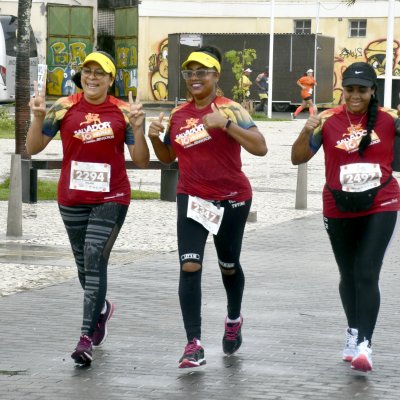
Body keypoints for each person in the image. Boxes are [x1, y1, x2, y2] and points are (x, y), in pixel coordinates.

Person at [26, 51, 150, 366]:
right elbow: (32, 147)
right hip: (72, 197)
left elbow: (141, 160)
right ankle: (102, 309)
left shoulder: (122, 111)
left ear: (111, 80)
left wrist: (139, 126)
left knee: (95, 259)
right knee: (84, 267)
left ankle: (85, 339)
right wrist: (38, 117)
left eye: (100, 73)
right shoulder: (65, 107)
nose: (92, 77)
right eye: (87, 71)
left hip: (112, 197)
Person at [147, 45, 267, 368]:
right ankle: (193, 344)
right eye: (190, 72)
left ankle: (233, 318)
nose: (195, 78)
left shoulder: (232, 109)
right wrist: (155, 137)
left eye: (202, 72)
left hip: (232, 199)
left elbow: (261, 147)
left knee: (228, 265)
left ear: (216, 76)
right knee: (189, 266)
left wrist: (225, 125)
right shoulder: (179, 114)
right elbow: (167, 157)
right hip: (192, 198)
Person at [291, 61, 400, 373]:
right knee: (348, 274)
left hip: (382, 200)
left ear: (372, 91)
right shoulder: (327, 119)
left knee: (367, 270)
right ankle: (353, 331)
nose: (355, 95)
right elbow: (298, 157)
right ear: (342, 90)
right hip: (337, 204)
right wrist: (306, 130)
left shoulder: (389, 119)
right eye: (350, 89)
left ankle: (365, 344)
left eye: (362, 90)